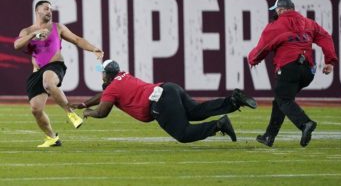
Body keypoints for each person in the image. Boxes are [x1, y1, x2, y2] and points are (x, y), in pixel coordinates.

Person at [71, 59, 257, 143]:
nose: (101, 75)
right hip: (168, 88)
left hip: (158, 103)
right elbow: (104, 95)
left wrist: (89, 113)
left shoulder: (112, 87)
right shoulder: (122, 76)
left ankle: (219, 125)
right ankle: (233, 101)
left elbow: (103, 112)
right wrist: (85, 103)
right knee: (196, 111)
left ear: (107, 75)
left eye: (102, 72)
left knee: (183, 134)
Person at [248, 0, 338, 147]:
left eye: (276, 10)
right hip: (307, 72)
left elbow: (262, 49)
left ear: (281, 10)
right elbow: (325, 37)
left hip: (289, 67)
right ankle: (269, 136)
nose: (276, 13)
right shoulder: (308, 23)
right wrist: (330, 61)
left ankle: (305, 123)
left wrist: (251, 60)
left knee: (283, 100)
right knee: (281, 100)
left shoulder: (276, 26)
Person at [14, 0, 104, 147]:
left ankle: (71, 114)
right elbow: (17, 45)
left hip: (55, 66)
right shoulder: (27, 31)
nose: (50, 11)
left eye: (51, 9)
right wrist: (33, 35)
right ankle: (51, 138)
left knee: (48, 82)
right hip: (37, 72)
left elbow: (77, 39)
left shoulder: (58, 27)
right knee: (36, 110)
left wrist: (93, 48)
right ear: (37, 11)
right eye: (46, 9)